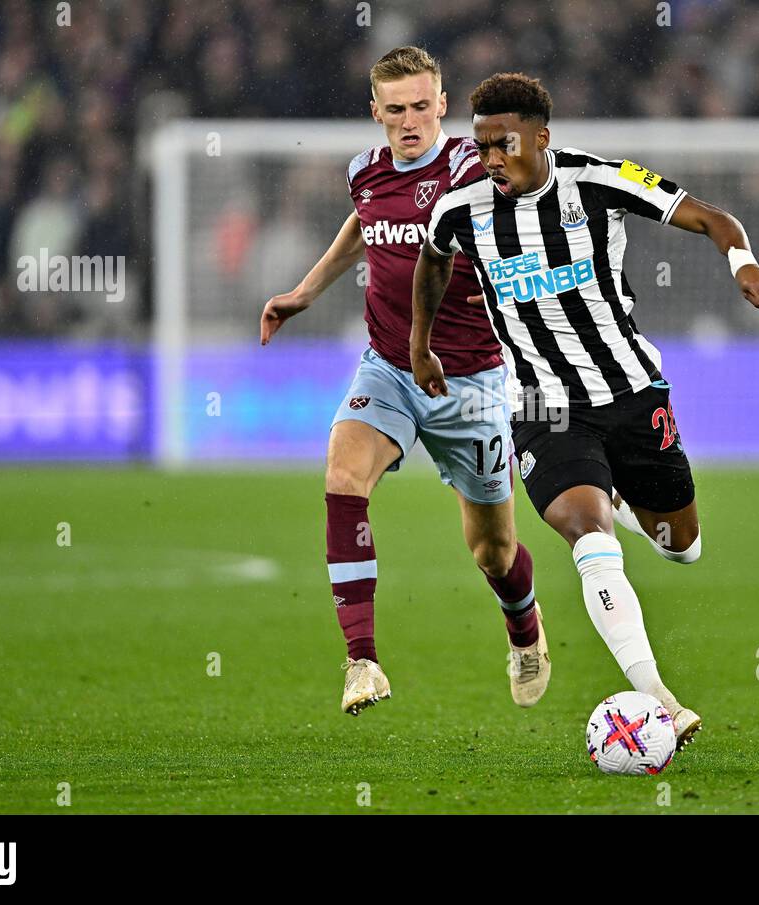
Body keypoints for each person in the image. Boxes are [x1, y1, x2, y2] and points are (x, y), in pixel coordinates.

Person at [409, 72, 759, 751]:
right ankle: (660, 695)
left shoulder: (599, 182)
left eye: (505, 146)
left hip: (633, 393)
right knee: (587, 532)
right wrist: (420, 346)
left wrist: (742, 265)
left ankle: (629, 505)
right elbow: (431, 264)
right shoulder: (461, 211)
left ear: (542, 139)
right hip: (542, 405)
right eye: (482, 146)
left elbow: (710, 218)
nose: (491, 160)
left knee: (683, 547)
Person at [260, 49, 549, 716]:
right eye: (396, 110)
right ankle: (362, 660)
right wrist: (305, 290)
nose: (411, 121)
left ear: (443, 105)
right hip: (389, 365)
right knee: (342, 475)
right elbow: (364, 227)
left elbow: (527, 232)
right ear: (376, 113)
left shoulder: (475, 170)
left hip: (469, 382)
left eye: (422, 107)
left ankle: (525, 626)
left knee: (494, 550)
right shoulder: (365, 171)